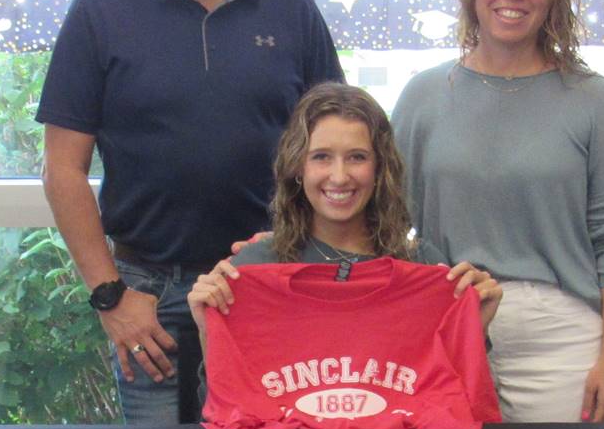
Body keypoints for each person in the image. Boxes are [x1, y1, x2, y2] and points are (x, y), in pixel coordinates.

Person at [38, 0, 343, 422]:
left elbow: (335, 148)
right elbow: (62, 171)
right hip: (148, 294)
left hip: (265, 282)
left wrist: (323, 271)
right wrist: (111, 298)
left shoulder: (291, 11)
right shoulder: (101, 13)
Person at [391, 0, 604, 423]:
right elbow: (383, 225)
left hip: (559, 345)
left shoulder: (593, 100)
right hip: (445, 329)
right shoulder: (423, 96)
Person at [186, 82, 499, 336]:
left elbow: (455, 389)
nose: (339, 176)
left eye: (357, 157)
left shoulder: (424, 265)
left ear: (380, 169)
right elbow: (224, 400)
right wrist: (207, 326)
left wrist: (476, 321)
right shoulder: (255, 266)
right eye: (321, 156)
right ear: (298, 166)